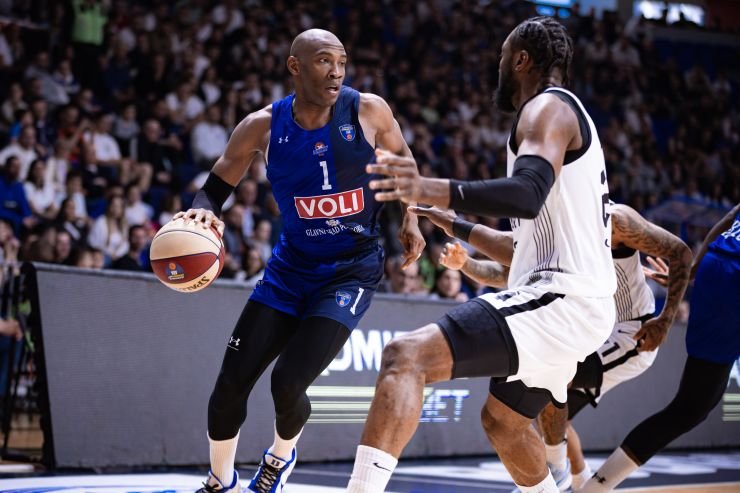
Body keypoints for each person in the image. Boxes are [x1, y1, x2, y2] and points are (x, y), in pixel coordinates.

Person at [346, 17, 616, 493]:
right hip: (576, 304)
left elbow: (526, 193)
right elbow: (521, 248)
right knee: (503, 423)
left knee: (404, 357)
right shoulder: (561, 118)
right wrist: (453, 223)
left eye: (502, 56)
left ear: (521, 60)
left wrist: (431, 186)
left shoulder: (546, 108)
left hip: (563, 300)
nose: (498, 66)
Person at [175, 29, 425, 493]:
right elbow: (216, 184)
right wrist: (203, 211)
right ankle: (220, 480)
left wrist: (411, 216)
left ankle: (280, 457)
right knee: (229, 385)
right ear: (295, 66)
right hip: (290, 270)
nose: (336, 72)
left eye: (342, 62)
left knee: (288, 382)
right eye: (324, 61)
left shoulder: (368, 110)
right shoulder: (261, 126)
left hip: (350, 271)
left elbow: (403, 163)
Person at [412, 202, 692, 490]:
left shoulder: (614, 219)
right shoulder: (551, 229)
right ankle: (576, 479)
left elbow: (680, 252)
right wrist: (466, 264)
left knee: (545, 378)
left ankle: (558, 470)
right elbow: (504, 274)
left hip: (631, 334)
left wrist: (665, 320)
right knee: (544, 402)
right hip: (585, 327)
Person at [580, 202, 740, 492]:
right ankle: (591, 487)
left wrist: (694, 269)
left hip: (717, 265)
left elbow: (730, 216)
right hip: (732, 279)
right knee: (691, 408)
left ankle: (595, 486)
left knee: (691, 407)